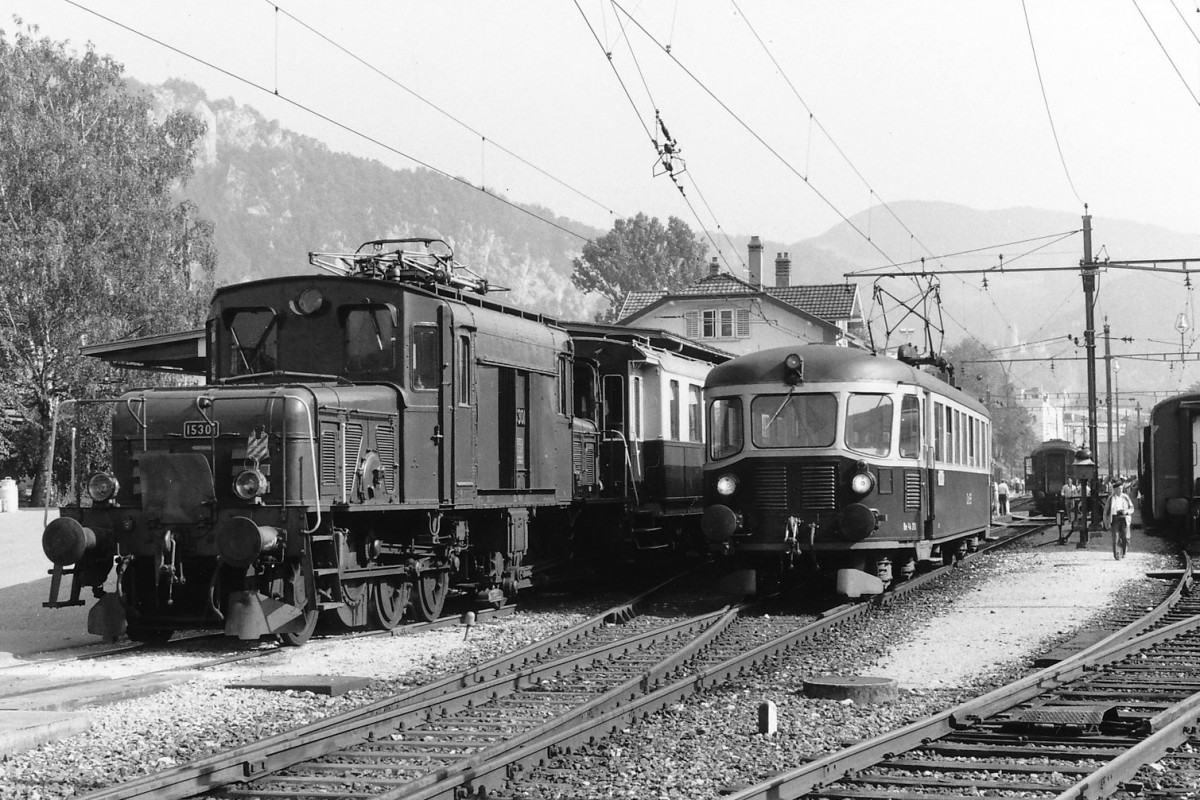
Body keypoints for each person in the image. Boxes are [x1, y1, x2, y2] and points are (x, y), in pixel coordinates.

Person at [1105, 479, 1135, 560]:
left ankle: (1124, 552)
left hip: (1124, 518)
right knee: (1115, 537)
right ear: (1114, 490)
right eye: (1118, 489)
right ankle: (1116, 555)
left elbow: (1132, 508)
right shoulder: (1111, 498)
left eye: (1121, 489)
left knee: (1125, 537)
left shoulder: (1125, 497)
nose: (1120, 491)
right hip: (1114, 518)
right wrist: (1106, 523)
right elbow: (1106, 511)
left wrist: (1127, 512)